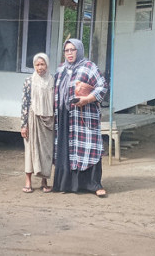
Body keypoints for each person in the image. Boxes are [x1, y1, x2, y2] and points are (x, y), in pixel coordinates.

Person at [52, 38, 108, 197]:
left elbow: (102, 87)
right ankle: (68, 184)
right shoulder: (61, 69)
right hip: (65, 117)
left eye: (73, 50)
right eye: (67, 50)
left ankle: (94, 185)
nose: (69, 53)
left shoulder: (89, 67)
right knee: (68, 149)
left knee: (89, 147)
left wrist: (87, 99)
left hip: (84, 116)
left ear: (79, 50)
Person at [20, 53, 55, 193]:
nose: (40, 67)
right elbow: (24, 103)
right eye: (37, 65)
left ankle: (44, 181)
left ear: (47, 65)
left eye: (42, 64)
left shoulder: (53, 81)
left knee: (46, 152)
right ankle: (28, 181)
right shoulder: (29, 81)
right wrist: (23, 125)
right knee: (30, 150)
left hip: (49, 120)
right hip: (33, 118)